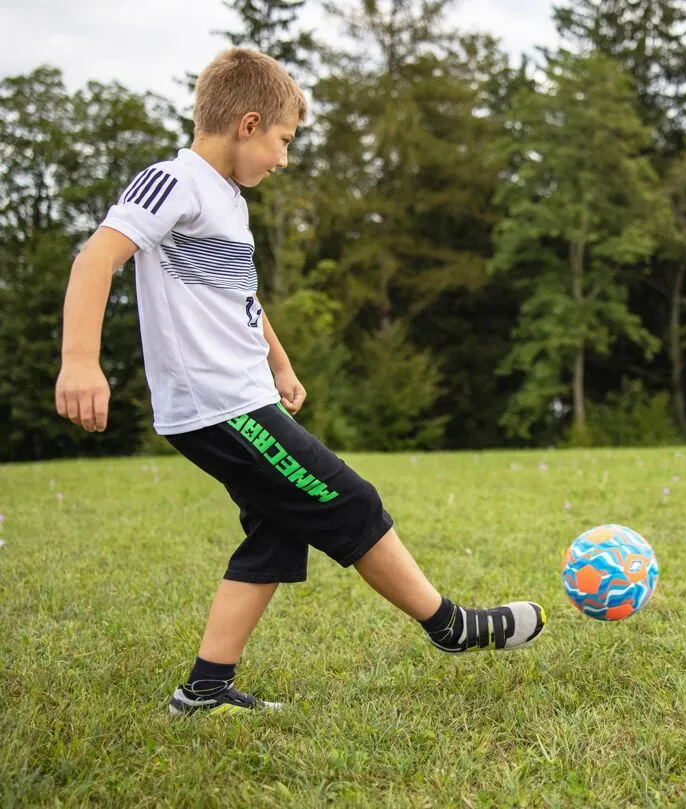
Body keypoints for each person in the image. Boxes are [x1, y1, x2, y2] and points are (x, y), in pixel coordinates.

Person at [54, 48, 545, 716]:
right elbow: (95, 258)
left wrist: (279, 364)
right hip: (218, 405)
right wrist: (80, 360)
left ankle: (204, 689)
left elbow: (241, 298)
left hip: (244, 395)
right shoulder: (173, 182)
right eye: (284, 141)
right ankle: (450, 625)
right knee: (353, 501)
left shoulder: (228, 201)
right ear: (249, 124)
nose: (284, 159)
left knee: (277, 532)